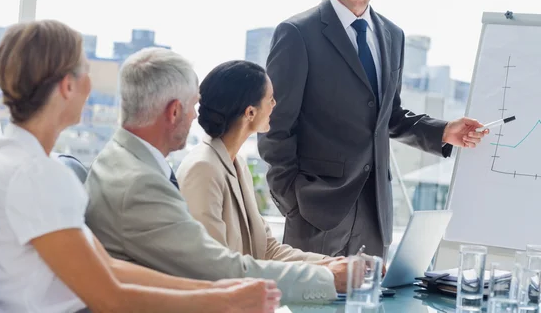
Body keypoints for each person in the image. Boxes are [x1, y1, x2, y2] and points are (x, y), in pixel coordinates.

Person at [0, 21, 281, 313]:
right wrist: (224, 302)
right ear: (67, 86)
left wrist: (217, 290)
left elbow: (108, 268)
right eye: (86, 71)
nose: (91, 84)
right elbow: (110, 298)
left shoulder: (20, 162)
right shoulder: (35, 175)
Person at [257, 0, 488, 259]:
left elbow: (387, 116)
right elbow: (273, 126)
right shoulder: (297, 34)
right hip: (316, 213)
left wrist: (444, 131)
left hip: (375, 212)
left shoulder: (392, 35)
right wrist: (293, 204)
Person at [84, 48, 347, 303]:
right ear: (174, 111)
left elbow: (261, 249)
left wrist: (329, 266)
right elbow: (215, 270)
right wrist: (326, 278)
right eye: (193, 105)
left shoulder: (124, 162)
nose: (196, 115)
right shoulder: (144, 182)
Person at [178, 60, 337, 264]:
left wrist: (334, 264)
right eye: (270, 98)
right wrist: (327, 274)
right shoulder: (203, 170)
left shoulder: (237, 165)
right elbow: (214, 266)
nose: (274, 104)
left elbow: (267, 250)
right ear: (250, 112)